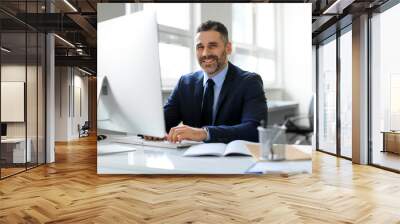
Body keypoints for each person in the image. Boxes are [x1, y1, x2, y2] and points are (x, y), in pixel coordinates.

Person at [156, 20, 266, 143]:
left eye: (212, 46)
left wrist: (205, 133)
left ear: (228, 48)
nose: (205, 53)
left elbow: (255, 130)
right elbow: (161, 123)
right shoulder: (185, 83)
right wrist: (152, 131)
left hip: (231, 159)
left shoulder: (249, 82)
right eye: (200, 47)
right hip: (189, 159)